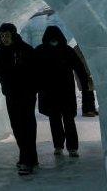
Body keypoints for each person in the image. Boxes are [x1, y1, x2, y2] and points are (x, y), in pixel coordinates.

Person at [34, 25, 90, 157]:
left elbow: (79, 68)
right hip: (57, 91)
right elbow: (80, 68)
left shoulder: (42, 50)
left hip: (57, 92)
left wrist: (84, 84)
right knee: (60, 119)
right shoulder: (65, 50)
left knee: (63, 120)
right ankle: (66, 147)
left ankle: (64, 146)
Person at [0, 22, 38, 175]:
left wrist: (31, 85)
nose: (4, 38)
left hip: (27, 93)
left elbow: (36, 70)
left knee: (27, 125)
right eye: (2, 35)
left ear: (13, 34)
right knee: (17, 125)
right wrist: (3, 80)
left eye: (7, 35)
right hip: (11, 93)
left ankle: (26, 160)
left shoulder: (25, 49)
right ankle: (29, 156)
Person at [73, 45, 99, 117]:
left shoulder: (81, 47)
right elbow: (82, 61)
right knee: (86, 91)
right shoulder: (78, 49)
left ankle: (92, 109)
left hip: (87, 72)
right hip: (82, 72)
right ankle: (86, 110)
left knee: (90, 91)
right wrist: (89, 71)